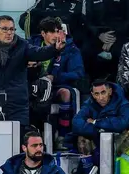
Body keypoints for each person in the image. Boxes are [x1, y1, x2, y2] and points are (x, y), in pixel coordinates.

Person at [0, 15, 66, 131]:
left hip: (15, 104)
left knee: (16, 140)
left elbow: (39, 53)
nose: (9, 33)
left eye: (11, 29)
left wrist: (55, 48)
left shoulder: (22, 45)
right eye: (4, 29)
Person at [27, 17, 85, 147]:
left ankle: (62, 136)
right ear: (43, 34)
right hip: (34, 87)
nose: (56, 35)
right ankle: (32, 132)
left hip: (57, 86)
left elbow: (78, 73)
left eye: (58, 31)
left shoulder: (70, 49)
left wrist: (55, 77)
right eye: (52, 32)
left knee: (65, 93)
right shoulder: (30, 46)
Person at [71, 80, 129, 162]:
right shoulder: (89, 104)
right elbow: (76, 123)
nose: (101, 97)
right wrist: (99, 130)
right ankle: (88, 172)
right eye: (97, 94)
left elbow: (122, 123)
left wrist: (95, 122)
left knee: (123, 136)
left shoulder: (122, 103)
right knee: (82, 140)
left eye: (103, 92)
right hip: (96, 139)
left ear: (110, 91)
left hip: (117, 140)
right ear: (93, 95)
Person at [82, 0, 129, 80]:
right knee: (86, 51)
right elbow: (87, 21)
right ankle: (93, 84)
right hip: (96, 35)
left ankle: (119, 84)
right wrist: (99, 34)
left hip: (119, 34)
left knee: (123, 51)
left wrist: (113, 36)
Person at [19, 0, 85, 45]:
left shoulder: (79, 2)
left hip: (70, 40)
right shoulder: (44, 1)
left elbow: (81, 20)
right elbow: (26, 16)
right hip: (43, 38)